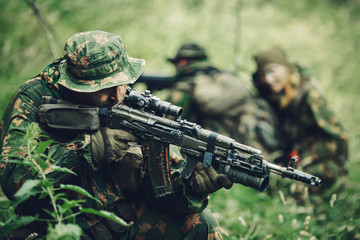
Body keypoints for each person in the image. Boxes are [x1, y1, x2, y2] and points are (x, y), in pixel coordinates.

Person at [0, 31, 233, 239]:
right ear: (76, 86)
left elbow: (160, 192)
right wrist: (86, 148)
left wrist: (192, 187)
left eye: (121, 83)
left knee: (203, 225)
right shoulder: (32, 99)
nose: (117, 95)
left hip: (118, 222)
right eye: (104, 88)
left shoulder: (131, 109)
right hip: (57, 223)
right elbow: (14, 182)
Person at [252, 46, 348, 204]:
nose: (268, 79)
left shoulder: (310, 95)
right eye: (263, 74)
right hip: (296, 156)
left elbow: (339, 136)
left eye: (272, 71)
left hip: (321, 161)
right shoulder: (276, 94)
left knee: (288, 188)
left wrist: (334, 168)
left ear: (287, 69)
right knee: (265, 179)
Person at [166, 42, 283, 161]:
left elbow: (166, 125)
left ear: (182, 62)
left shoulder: (187, 88)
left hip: (227, 158)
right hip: (259, 155)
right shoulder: (226, 80)